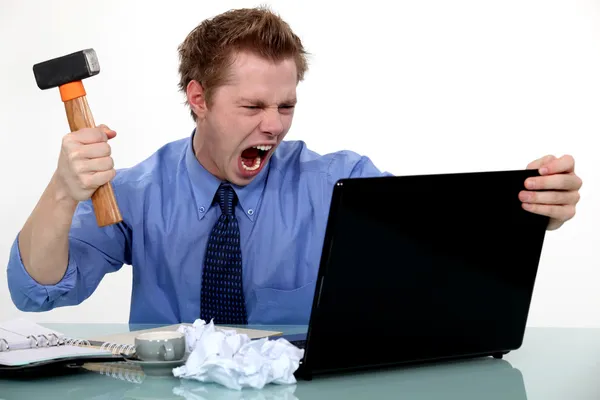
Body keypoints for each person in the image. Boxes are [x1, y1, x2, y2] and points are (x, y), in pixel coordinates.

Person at [6, 7, 582, 326]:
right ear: (198, 99)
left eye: (286, 105)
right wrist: (62, 193)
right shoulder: (134, 192)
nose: (275, 125)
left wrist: (530, 214)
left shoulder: (340, 181)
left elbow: (434, 244)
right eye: (252, 106)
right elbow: (36, 292)